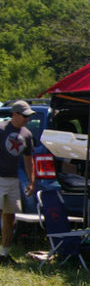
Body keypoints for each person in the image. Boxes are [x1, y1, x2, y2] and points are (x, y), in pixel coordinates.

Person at [0, 100, 36, 265]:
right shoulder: (1, 129)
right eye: (25, 116)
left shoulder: (27, 134)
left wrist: (31, 180)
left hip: (14, 179)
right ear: (15, 114)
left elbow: (28, 160)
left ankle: (4, 255)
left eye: (29, 116)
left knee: (10, 217)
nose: (27, 119)